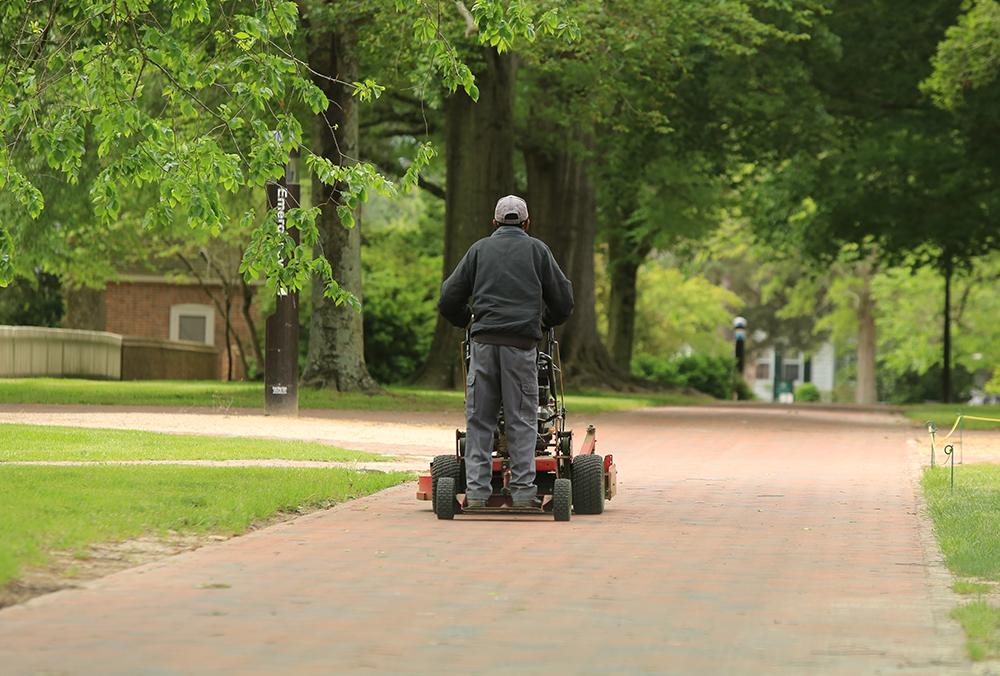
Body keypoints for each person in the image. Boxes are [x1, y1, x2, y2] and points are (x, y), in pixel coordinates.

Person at [437, 195, 574, 509]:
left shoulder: (479, 250)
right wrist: (543, 322)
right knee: (522, 419)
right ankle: (525, 494)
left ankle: (475, 495)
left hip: (483, 346)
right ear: (526, 223)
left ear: (495, 223)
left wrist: (468, 320)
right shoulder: (538, 250)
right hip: (521, 346)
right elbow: (564, 303)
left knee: (480, 421)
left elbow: (448, 300)